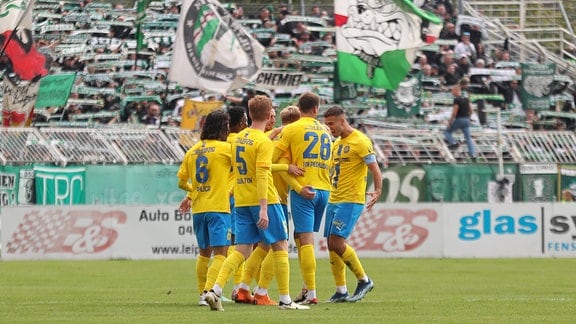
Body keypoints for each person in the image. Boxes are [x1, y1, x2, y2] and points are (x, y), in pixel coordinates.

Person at [204, 95, 310, 311]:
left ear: (250, 114)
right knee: (280, 246)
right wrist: (264, 207)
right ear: (270, 112)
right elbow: (262, 174)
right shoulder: (263, 142)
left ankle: (215, 290)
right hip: (266, 200)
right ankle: (285, 299)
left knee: (241, 250)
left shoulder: (239, 138)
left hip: (242, 201)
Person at [273, 91, 332, 305]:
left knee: (305, 242)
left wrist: (297, 187)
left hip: (304, 190)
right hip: (323, 189)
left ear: (300, 108)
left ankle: (312, 293)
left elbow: (271, 160)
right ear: (317, 109)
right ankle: (307, 288)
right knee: (302, 238)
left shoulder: (291, 129)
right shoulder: (326, 131)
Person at [322, 106, 382, 303]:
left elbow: (374, 168)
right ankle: (341, 291)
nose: (329, 127)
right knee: (331, 245)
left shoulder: (361, 141)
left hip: (351, 200)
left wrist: (378, 190)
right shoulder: (337, 143)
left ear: (342, 121)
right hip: (334, 198)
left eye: (331, 123)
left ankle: (364, 280)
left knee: (337, 242)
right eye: (327, 123)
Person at [176, 109, 231, 307]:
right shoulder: (226, 149)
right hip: (218, 208)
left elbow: (181, 182)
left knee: (203, 254)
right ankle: (210, 291)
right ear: (224, 127)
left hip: (199, 208)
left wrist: (193, 192)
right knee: (221, 253)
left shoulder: (193, 150)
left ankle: (202, 294)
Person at [444, 81, 477, 160]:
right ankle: (473, 154)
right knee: (468, 138)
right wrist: (468, 117)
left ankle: (454, 143)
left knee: (447, 132)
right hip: (466, 120)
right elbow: (471, 110)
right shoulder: (466, 99)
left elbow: (454, 112)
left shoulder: (456, 100)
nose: (452, 92)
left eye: (452, 90)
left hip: (459, 119)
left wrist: (450, 122)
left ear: (456, 90)